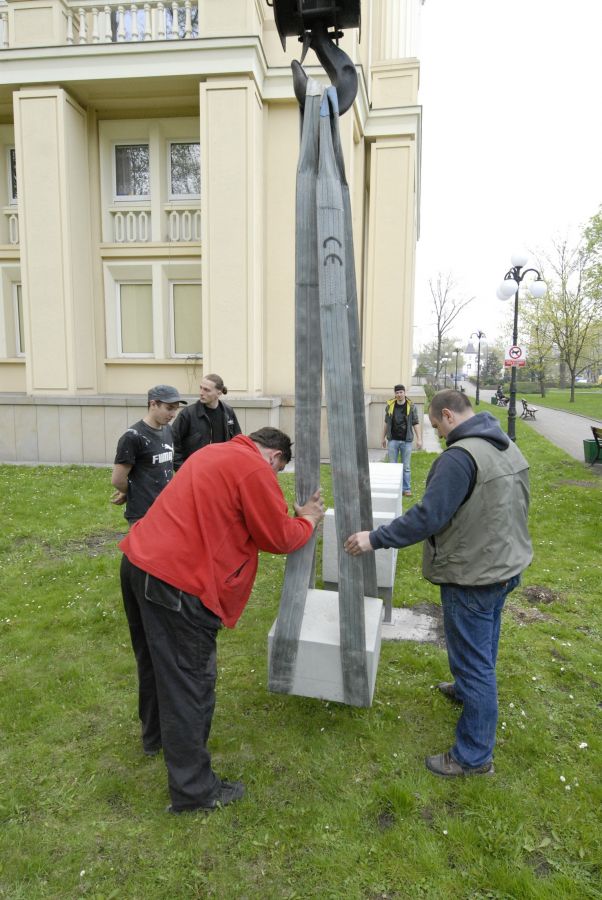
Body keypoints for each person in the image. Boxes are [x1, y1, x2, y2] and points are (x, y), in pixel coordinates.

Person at [118, 427, 324, 813]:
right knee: (189, 683)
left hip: (139, 561)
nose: (274, 478)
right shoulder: (254, 468)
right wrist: (308, 521)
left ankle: (156, 737)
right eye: (278, 472)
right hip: (178, 582)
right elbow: (277, 536)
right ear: (276, 457)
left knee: (154, 663)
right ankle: (194, 791)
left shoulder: (214, 453)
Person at [345, 390, 532, 778]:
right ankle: (466, 690)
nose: (438, 434)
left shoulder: (460, 457)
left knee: (476, 662)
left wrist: (374, 538)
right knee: (485, 645)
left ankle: (473, 757)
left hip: (474, 574)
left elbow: (428, 515)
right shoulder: (504, 445)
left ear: (447, 415)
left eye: (435, 426)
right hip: (505, 565)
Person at [111, 385, 187, 525]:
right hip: (142, 514)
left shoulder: (168, 430)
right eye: (169, 408)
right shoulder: (132, 437)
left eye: (175, 409)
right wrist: (131, 492)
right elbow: (117, 480)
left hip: (165, 509)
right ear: (153, 404)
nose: (173, 414)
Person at [172, 373, 241, 470]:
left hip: (222, 471)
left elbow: (237, 441)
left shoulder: (228, 412)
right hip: (196, 472)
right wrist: (182, 469)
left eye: (206, 390)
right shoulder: (188, 414)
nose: (201, 392)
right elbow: (173, 442)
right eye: (201, 388)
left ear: (219, 393)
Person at [381, 384, 422, 496]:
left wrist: (419, 439)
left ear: (405, 393)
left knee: (406, 467)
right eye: (397, 392)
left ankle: (406, 489)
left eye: (401, 392)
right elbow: (386, 423)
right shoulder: (390, 406)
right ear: (395, 394)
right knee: (392, 466)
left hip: (406, 441)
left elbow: (416, 423)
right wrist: (383, 438)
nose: (399, 394)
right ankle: (394, 488)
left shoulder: (411, 406)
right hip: (392, 441)